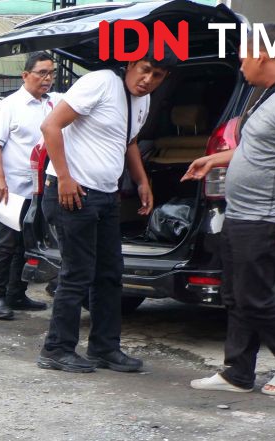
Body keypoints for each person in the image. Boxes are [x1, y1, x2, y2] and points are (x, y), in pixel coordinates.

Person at [183, 32, 275, 396]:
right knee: (234, 295)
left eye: (243, 57)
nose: (241, 65)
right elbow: (257, 149)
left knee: (254, 297)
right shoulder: (272, 95)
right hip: (241, 213)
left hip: (266, 215)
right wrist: (215, 158)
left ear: (261, 54)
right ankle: (238, 373)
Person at [36, 53, 175, 373]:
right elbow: (51, 126)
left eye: (158, 76)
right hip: (74, 193)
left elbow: (129, 141)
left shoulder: (142, 100)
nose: (148, 80)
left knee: (110, 275)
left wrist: (142, 181)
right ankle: (56, 349)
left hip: (106, 196)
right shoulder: (100, 83)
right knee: (77, 274)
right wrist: (65, 178)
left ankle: (104, 348)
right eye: (145, 71)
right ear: (130, 65)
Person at [0, 51, 60, 320]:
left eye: (51, 72)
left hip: (42, 190)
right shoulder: (9, 106)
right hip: (12, 189)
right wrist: (0, 178)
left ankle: (16, 293)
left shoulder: (53, 104)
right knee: (6, 244)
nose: (47, 78)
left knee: (28, 245)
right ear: (25, 75)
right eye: (42, 73)